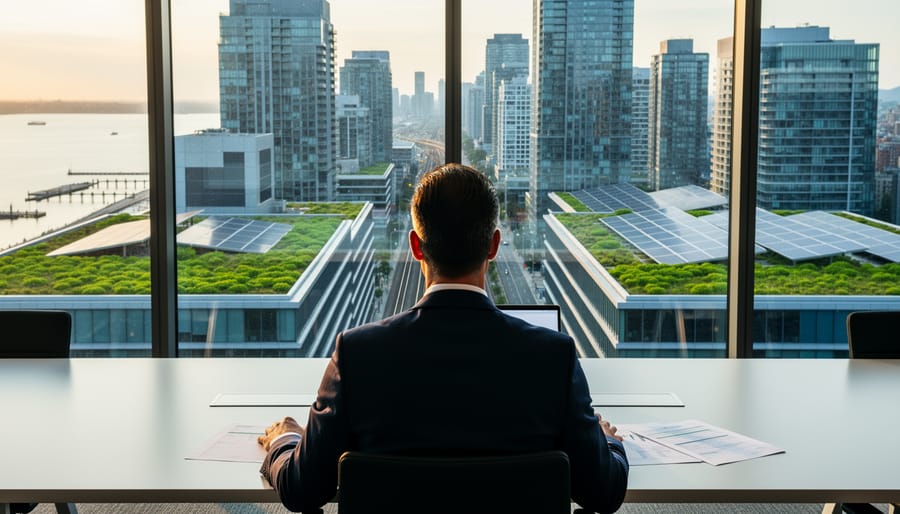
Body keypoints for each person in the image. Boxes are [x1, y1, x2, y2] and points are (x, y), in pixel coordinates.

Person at [258, 163, 628, 513]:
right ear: (494, 246)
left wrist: (284, 440)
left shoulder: (356, 353)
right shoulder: (554, 357)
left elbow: (303, 489)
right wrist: (606, 441)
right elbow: (603, 491)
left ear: (416, 246)